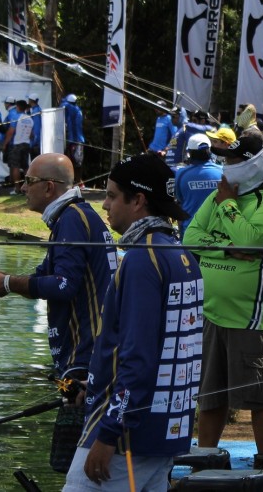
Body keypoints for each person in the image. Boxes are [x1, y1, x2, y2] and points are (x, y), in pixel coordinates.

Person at [0, 153, 118, 473]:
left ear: (49, 187)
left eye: (28, 181)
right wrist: (1, 283)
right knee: (68, 464)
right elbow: (44, 276)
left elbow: (64, 285)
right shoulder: (73, 216)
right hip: (79, 361)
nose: (23, 187)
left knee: (73, 466)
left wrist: (9, 283)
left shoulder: (71, 219)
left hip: (85, 361)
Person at [65, 153, 201, 490]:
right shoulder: (180, 253)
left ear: (138, 200)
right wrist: (96, 384)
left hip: (127, 437)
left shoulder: (142, 260)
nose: (105, 205)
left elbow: (138, 357)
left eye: (111, 196)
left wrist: (110, 432)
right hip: (167, 430)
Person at [182, 132, 263, 484]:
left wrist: (228, 210)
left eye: (233, 161)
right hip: (210, 315)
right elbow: (190, 239)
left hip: (252, 320)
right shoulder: (214, 198)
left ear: (252, 165)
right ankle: (204, 465)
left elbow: (249, 240)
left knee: (260, 400)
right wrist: (228, 248)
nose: (226, 167)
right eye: (225, 160)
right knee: (209, 400)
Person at [173, 134, 223, 234]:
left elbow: (179, 201)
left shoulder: (181, 174)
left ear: (190, 152)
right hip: (219, 234)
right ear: (209, 150)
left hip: (191, 235)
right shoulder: (223, 171)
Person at [4, 100, 33, 192]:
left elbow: (11, 132)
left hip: (17, 144)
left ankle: (17, 189)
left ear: (18, 107)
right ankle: (29, 187)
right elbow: (32, 134)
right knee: (25, 167)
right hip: (26, 144)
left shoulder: (16, 117)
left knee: (15, 166)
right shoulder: (29, 118)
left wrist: (5, 144)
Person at [62, 94, 86, 184]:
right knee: (72, 161)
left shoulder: (72, 108)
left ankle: (78, 182)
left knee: (77, 162)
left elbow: (64, 105)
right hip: (74, 140)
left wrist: (64, 101)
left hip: (76, 140)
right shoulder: (76, 109)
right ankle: (76, 181)